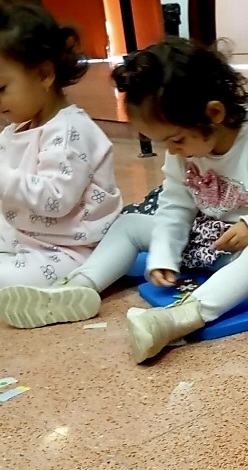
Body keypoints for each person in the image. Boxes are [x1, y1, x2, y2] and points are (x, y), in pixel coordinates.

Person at [0, 38, 248, 365]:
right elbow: (175, 206)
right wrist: (163, 256)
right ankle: (79, 286)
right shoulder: (184, 147)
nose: (172, 151)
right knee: (129, 223)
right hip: (211, 235)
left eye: (175, 140)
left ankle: (180, 318)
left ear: (213, 113)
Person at [0, 2, 121, 287]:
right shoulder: (18, 126)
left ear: (44, 74)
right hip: (24, 236)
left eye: (1, 89)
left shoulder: (70, 131)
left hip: (71, 251)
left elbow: (55, 200)